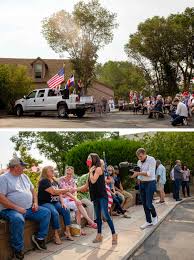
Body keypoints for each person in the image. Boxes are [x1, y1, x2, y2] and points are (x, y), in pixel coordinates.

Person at [0, 158, 51, 259]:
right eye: (22, 166)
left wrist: (35, 203)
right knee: (18, 219)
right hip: (9, 210)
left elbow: (33, 191)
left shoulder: (24, 176)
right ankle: (17, 249)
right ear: (15, 167)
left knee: (46, 212)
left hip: (28, 208)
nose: (24, 168)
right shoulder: (3, 178)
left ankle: (39, 238)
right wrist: (17, 208)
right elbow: (1, 198)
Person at [86, 153, 118, 244]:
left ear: (94, 159)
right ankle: (99, 235)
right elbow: (89, 183)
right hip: (95, 196)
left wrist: (89, 171)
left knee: (106, 215)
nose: (88, 159)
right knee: (98, 218)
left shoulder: (99, 168)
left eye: (89, 158)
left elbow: (93, 180)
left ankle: (114, 235)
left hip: (102, 196)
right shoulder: (92, 169)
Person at [38, 166, 74, 244]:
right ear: (45, 172)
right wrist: (67, 189)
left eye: (53, 169)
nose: (52, 170)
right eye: (50, 170)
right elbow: (54, 192)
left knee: (66, 210)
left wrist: (63, 203)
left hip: (55, 202)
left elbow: (59, 192)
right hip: (45, 203)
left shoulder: (54, 180)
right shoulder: (44, 181)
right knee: (55, 213)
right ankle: (56, 235)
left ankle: (67, 232)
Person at [59, 166, 97, 235]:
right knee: (78, 204)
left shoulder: (72, 180)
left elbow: (74, 191)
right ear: (65, 173)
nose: (69, 175)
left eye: (70, 174)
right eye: (67, 173)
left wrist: (75, 198)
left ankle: (79, 228)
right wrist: (75, 198)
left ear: (72, 174)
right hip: (63, 199)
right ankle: (90, 222)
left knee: (78, 206)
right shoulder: (61, 179)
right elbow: (64, 192)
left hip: (71, 199)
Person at [131, 148, 158, 229]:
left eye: (141, 156)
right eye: (138, 157)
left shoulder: (152, 160)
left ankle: (154, 216)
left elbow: (149, 173)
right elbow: (139, 173)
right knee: (144, 204)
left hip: (150, 183)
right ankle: (148, 221)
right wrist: (137, 178)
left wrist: (137, 173)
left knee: (149, 204)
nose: (140, 158)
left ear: (144, 153)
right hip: (142, 184)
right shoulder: (139, 162)